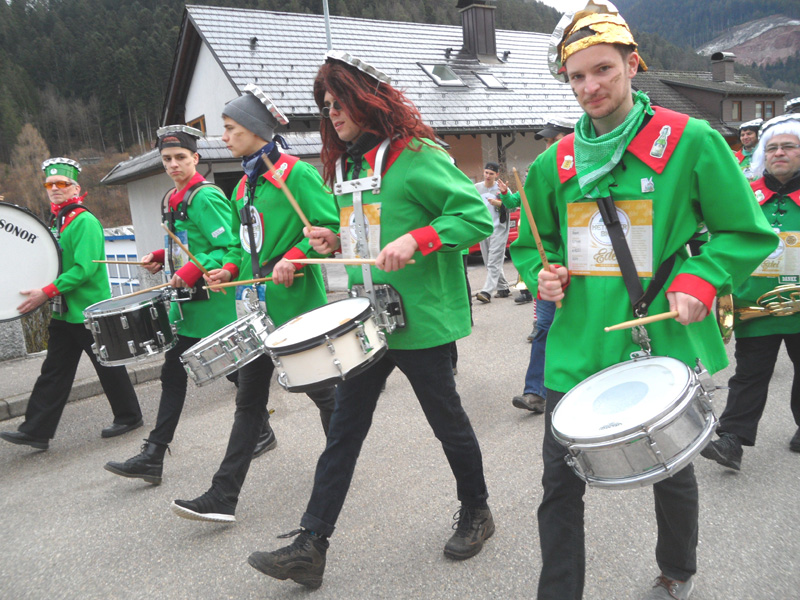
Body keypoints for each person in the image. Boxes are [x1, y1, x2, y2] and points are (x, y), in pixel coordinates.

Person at [511, 4, 778, 599]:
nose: (590, 87)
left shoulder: (690, 141)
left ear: (633, 65)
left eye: (603, 69)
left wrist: (702, 279)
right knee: (559, 483)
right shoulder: (554, 162)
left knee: (671, 470)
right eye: (576, 77)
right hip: (577, 342)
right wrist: (541, 274)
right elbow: (532, 242)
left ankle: (676, 571)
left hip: (657, 337)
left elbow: (746, 231)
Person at [246, 51, 494, 589]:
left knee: (447, 423)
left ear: (367, 100)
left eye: (340, 102)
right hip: (367, 321)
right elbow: (367, 237)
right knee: (343, 431)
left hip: (421, 321)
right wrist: (334, 241)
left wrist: (420, 239)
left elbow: (476, 216)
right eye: (326, 105)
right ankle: (311, 545)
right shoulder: (349, 167)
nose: (332, 113)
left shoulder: (417, 155)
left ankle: (477, 510)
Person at [169, 85, 338, 523]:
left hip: (296, 309)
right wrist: (230, 270)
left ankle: (339, 466)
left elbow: (330, 227)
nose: (223, 137)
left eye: (230, 129)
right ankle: (222, 495)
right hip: (255, 314)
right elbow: (242, 246)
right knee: (248, 404)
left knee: (326, 397)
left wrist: (294, 257)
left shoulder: (297, 174)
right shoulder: (244, 183)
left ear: (256, 129)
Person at [103, 126, 241, 485]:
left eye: (181, 157)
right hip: (188, 304)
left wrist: (194, 269)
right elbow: (187, 245)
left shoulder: (205, 197)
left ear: (196, 158)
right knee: (181, 373)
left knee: (236, 371)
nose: (173, 164)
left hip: (211, 302)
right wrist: (161, 257)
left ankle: (155, 453)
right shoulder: (173, 198)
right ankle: (154, 455)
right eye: (167, 159)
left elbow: (230, 247)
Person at [0, 158, 142, 451]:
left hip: (88, 310)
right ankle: (36, 430)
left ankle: (130, 417)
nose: (55, 188)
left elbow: (84, 269)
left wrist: (46, 291)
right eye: (49, 184)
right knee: (54, 371)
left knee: (107, 366)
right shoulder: (59, 221)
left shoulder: (84, 221)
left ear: (76, 188)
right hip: (64, 313)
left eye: (62, 184)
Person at [701, 113, 800, 471]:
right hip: (754, 307)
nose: (779, 153)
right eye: (771, 148)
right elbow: (724, 239)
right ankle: (731, 440)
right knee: (749, 375)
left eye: (788, 146)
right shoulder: (746, 196)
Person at [508, 118, 574, 413]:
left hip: (590, 274)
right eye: (545, 141)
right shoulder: (542, 172)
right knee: (545, 326)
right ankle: (536, 391)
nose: (547, 147)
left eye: (552, 140)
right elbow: (531, 236)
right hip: (553, 272)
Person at [475, 162, 511, 303]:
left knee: (493, 261)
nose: (488, 176)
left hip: (499, 229)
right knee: (488, 261)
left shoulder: (502, 188)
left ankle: (487, 292)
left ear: (497, 174)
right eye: (486, 172)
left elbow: (513, 206)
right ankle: (503, 288)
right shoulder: (476, 188)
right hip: (483, 229)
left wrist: (500, 203)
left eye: (491, 173)